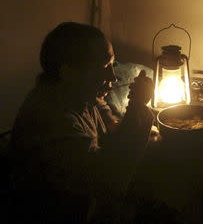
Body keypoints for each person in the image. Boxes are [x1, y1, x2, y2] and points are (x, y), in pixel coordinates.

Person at [9, 22, 153, 223]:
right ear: (68, 72)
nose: (112, 77)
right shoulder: (51, 119)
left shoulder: (82, 94)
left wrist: (133, 118)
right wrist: (137, 107)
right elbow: (110, 181)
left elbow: (111, 124)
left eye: (113, 64)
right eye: (104, 67)